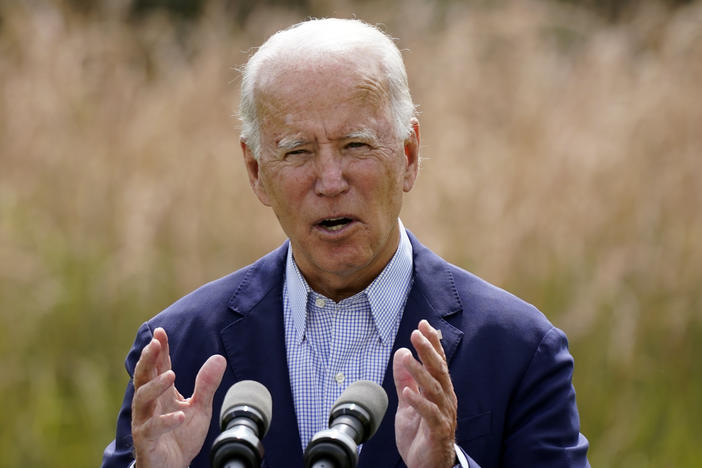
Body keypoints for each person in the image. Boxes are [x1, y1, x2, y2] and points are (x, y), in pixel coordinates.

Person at [102, 18, 589, 468]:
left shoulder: (519, 349)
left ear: (409, 154)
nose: (330, 181)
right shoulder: (178, 352)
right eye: (297, 151)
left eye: (356, 145)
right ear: (256, 172)